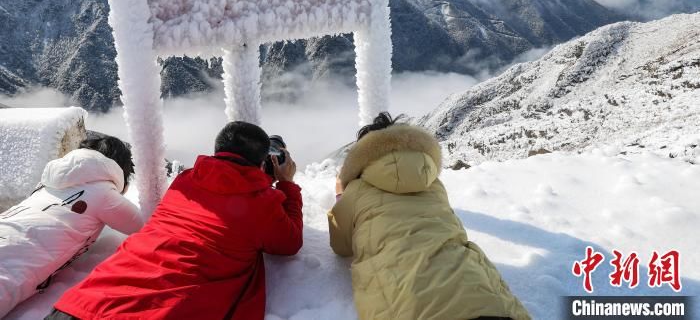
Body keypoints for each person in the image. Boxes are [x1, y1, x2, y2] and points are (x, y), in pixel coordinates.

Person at [48, 121, 303, 320]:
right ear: (260, 163)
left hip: (83, 303)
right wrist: (287, 185)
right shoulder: (261, 203)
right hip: (157, 312)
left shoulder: (186, 180)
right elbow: (289, 242)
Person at [328, 112, 531, 320]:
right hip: (473, 285)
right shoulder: (433, 183)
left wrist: (341, 196)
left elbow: (341, 246)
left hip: (408, 298)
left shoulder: (357, 189)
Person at [0, 136, 143, 318]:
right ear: (119, 169)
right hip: (10, 267)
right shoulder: (103, 193)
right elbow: (148, 226)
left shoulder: (47, 183)